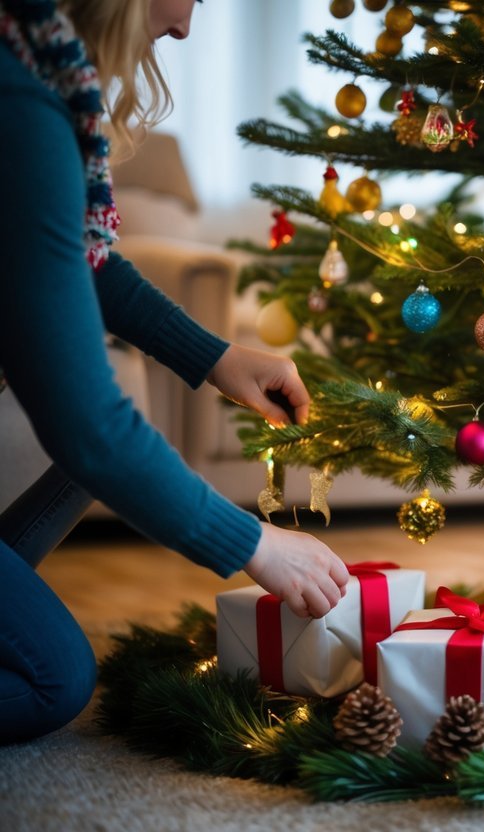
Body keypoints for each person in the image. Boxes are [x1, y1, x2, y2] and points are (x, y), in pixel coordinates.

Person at [0, 0, 350, 744]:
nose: (189, 26)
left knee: (83, 467)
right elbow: (87, 424)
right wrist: (255, 545)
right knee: (52, 679)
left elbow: (72, 261)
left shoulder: (26, 71)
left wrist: (217, 357)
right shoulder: (20, 109)